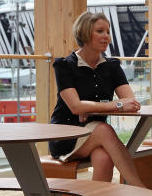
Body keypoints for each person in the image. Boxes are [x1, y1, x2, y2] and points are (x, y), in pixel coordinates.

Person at [49, 11, 146, 187]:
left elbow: (131, 103)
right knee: (103, 129)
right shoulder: (64, 66)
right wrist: (115, 104)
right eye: (100, 31)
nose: (106, 37)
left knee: (104, 158)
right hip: (66, 135)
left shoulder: (112, 66)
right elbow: (76, 107)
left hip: (96, 137)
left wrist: (91, 109)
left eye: (108, 32)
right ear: (85, 33)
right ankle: (140, 189)